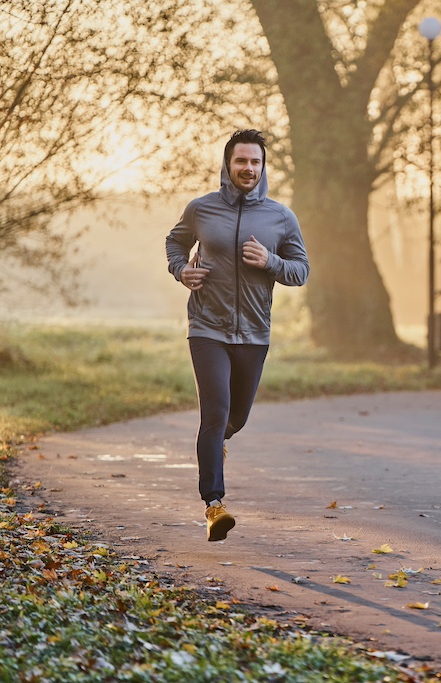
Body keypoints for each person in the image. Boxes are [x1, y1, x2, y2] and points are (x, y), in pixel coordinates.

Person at [165, 129, 309, 542]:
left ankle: (218, 442)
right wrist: (182, 271)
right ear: (228, 164)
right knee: (215, 413)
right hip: (207, 328)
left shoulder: (281, 217)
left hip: (253, 333)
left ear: (263, 167)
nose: (248, 168)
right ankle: (214, 504)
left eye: (255, 162)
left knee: (236, 417)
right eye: (241, 161)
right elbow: (175, 244)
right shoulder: (202, 210)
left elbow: (301, 271)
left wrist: (270, 261)